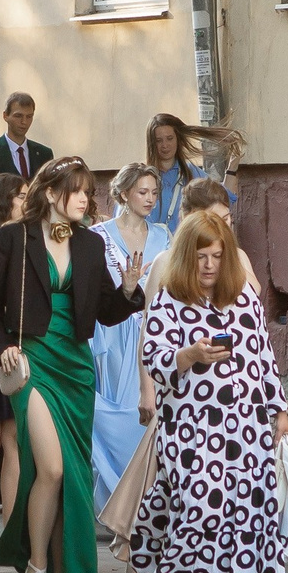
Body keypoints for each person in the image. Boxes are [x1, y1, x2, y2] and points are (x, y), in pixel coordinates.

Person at [0, 157, 145, 573]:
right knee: (50, 469)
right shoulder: (16, 236)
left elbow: (104, 310)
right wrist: (0, 349)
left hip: (75, 368)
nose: (85, 199)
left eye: (89, 191)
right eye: (77, 190)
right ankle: (36, 566)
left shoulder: (91, 245)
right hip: (31, 362)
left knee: (73, 479)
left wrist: (130, 290)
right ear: (51, 192)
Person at [127, 207, 288, 573]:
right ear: (187, 256)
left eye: (217, 256)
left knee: (240, 511)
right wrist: (191, 355)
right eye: (201, 256)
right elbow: (154, 358)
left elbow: (264, 359)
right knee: (198, 502)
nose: (209, 265)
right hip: (192, 426)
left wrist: (281, 412)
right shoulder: (169, 300)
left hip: (246, 427)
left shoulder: (243, 299)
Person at [89, 162, 168, 510]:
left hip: (154, 330)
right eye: (142, 192)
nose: (150, 198)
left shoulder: (165, 235)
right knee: (115, 412)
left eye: (154, 192)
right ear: (123, 194)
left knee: (148, 412)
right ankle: (110, 496)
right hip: (115, 332)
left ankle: (139, 501)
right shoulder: (99, 236)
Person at [144, 112, 243, 229]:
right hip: (149, 246)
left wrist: (232, 167)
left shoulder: (190, 172)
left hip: (183, 245)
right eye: (158, 140)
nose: (165, 145)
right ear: (151, 143)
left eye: (169, 138)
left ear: (178, 139)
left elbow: (223, 198)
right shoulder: (142, 177)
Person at [0, 92, 54, 180]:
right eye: (18, 116)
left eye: (29, 116)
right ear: (5, 116)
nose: (24, 122)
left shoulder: (44, 154)